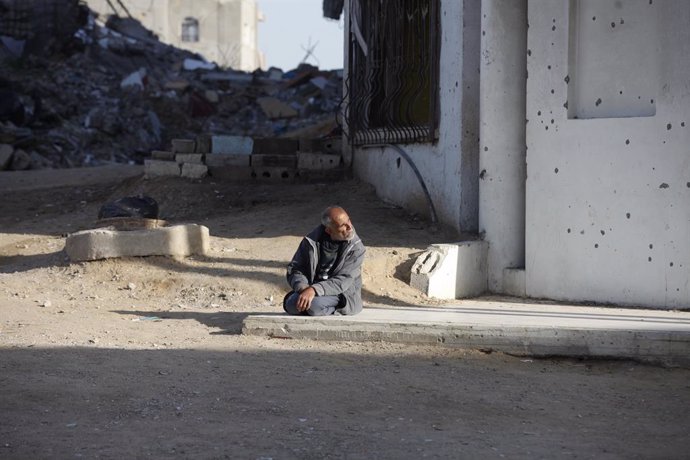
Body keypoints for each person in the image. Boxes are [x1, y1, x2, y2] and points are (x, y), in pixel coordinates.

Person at [283, 206, 366, 316]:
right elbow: (296, 268)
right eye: (343, 225)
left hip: (341, 293)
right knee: (291, 305)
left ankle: (337, 308)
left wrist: (314, 290)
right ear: (329, 230)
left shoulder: (356, 248)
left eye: (349, 220)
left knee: (313, 306)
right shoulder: (310, 241)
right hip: (311, 289)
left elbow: (343, 280)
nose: (349, 226)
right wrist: (303, 288)